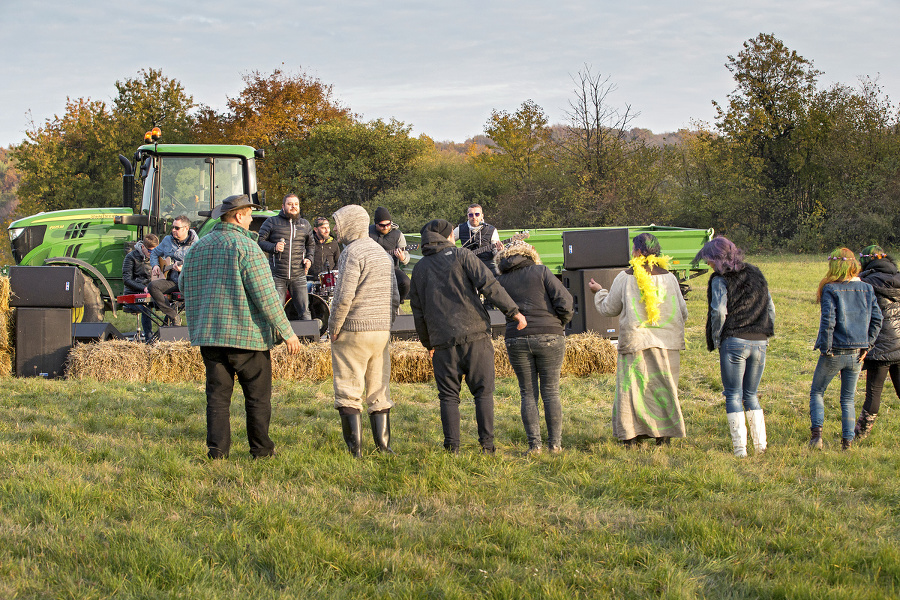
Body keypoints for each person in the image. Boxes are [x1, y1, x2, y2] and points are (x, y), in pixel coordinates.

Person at [179, 194, 302, 460]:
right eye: (249, 215)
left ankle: (217, 451)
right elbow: (266, 296)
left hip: (209, 335)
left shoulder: (198, 247)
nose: (251, 221)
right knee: (257, 398)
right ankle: (261, 451)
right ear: (238, 216)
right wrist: (287, 332)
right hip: (248, 337)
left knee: (218, 398)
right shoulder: (247, 247)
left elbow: (182, 285)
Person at [409, 219, 526, 454]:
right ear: (446, 236)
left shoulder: (419, 269)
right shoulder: (462, 255)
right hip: (475, 334)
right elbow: (488, 284)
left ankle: (452, 448)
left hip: (442, 341)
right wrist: (514, 312)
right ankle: (487, 446)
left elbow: (417, 310)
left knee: (449, 397)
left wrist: (428, 343)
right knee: (483, 393)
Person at [589, 233, 688, 446]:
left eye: (634, 248)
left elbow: (609, 308)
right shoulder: (670, 278)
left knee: (632, 390)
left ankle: (631, 437)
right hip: (667, 343)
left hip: (635, 343)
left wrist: (598, 291)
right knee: (664, 389)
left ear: (639, 252)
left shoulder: (625, 278)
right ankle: (663, 437)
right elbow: (682, 311)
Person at [328, 204, 400, 457]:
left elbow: (343, 295)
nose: (335, 229)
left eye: (337, 223)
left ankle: (355, 451)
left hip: (354, 331)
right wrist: (386, 324)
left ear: (349, 224)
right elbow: (394, 295)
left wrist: (333, 327)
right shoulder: (381, 253)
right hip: (380, 331)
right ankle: (383, 447)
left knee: (348, 389)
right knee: (378, 389)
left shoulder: (351, 252)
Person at [695, 237, 775, 457]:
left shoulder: (720, 279)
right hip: (760, 340)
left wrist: (718, 338)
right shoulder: (756, 273)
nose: (708, 264)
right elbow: (770, 307)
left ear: (717, 258)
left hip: (734, 340)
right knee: (751, 395)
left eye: (709, 260)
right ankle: (761, 447)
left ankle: (740, 450)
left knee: (732, 395)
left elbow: (719, 312)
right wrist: (766, 331)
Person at [496, 242, 574, 455]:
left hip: (516, 337)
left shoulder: (500, 280)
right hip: (549, 335)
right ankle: (555, 445)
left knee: (527, 393)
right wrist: (560, 322)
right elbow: (565, 301)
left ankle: (535, 446)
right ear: (529, 255)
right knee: (551, 392)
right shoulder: (541, 271)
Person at [809, 248, 882, 450]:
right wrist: (868, 345)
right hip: (857, 353)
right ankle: (847, 443)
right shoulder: (867, 289)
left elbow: (828, 322)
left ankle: (817, 438)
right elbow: (878, 319)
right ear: (853, 265)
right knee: (848, 399)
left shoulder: (830, 289)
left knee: (817, 392)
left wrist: (826, 348)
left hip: (835, 351)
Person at [856, 245, 900, 439]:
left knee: (873, 392)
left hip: (880, 344)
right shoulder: (898, 277)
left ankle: (860, 434)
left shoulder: (866, 282)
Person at [257, 193, 316, 320]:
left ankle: (309, 339)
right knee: (276, 311)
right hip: (278, 275)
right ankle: (274, 339)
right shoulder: (271, 222)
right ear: (283, 206)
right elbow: (260, 241)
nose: (293, 207)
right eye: (290, 204)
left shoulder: (305, 224)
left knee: (304, 310)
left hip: (298, 275)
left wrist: (309, 259)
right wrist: (274, 247)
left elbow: (311, 245)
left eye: (296, 204)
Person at [148, 215, 198, 326]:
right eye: (173, 227)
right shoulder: (167, 240)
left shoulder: (197, 245)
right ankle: (173, 315)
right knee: (152, 286)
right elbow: (155, 253)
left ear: (186, 228)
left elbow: (199, 265)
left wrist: (183, 269)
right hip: (173, 281)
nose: (173, 230)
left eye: (177, 228)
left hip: (189, 282)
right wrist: (155, 265)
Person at [122, 233, 159, 341]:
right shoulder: (131, 257)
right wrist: (143, 288)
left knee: (169, 306)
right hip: (133, 295)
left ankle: (164, 335)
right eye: (150, 251)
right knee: (145, 308)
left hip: (152, 292)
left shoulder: (156, 257)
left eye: (155, 251)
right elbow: (126, 280)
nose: (152, 253)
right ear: (143, 247)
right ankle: (149, 338)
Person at [369, 206, 411, 302]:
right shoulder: (367, 232)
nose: (386, 227)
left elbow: (406, 258)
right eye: (382, 225)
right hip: (371, 270)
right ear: (376, 224)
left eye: (388, 224)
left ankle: (397, 302)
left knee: (406, 282)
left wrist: (402, 258)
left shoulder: (398, 234)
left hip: (392, 269)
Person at [453, 203, 503, 276]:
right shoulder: (460, 229)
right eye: (471, 215)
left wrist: (499, 251)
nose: (474, 217)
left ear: (482, 215)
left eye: (477, 214)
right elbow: (447, 242)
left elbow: (495, 252)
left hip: (487, 267)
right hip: (467, 266)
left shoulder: (491, 230)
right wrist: (456, 253)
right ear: (467, 216)